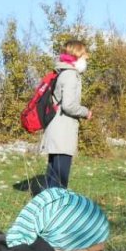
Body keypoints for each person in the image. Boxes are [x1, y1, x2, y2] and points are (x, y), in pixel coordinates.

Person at [39, 40, 92, 189]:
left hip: (56, 130)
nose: (86, 58)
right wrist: (85, 112)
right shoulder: (70, 75)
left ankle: (49, 208)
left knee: (52, 175)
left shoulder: (61, 72)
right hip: (63, 133)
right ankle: (58, 209)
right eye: (84, 55)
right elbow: (68, 105)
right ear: (76, 55)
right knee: (60, 180)